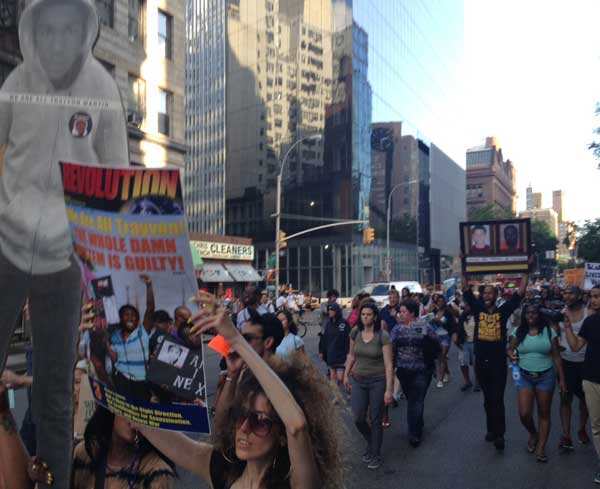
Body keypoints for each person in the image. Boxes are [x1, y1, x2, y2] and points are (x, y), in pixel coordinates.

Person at [0, 0, 129, 484]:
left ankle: (50, 479)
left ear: (82, 34)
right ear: (34, 31)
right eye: (47, 31)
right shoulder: (15, 85)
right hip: (6, 244)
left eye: (66, 31)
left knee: (54, 391)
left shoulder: (102, 92)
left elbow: (117, 181)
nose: (56, 42)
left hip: (64, 260)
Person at [139, 292, 344, 489]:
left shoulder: (297, 484)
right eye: (239, 415)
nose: (244, 428)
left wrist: (236, 338)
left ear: (282, 436)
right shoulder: (222, 471)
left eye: (260, 421)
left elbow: (297, 426)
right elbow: (141, 421)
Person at [462, 270, 528, 451]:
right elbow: (466, 289)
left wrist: (525, 271)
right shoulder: (477, 309)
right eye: (485, 293)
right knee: (487, 399)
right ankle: (491, 429)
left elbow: (520, 293)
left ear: (496, 295)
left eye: (491, 293)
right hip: (481, 362)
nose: (487, 295)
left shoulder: (504, 311)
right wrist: (465, 267)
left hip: (498, 363)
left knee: (497, 399)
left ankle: (500, 435)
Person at [508, 303, 566, 462]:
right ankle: (533, 433)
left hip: (546, 376)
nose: (531, 315)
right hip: (524, 376)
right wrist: (511, 355)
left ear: (539, 315)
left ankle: (541, 447)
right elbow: (510, 348)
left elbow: (556, 357)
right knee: (524, 413)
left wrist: (561, 379)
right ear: (524, 315)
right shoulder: (518, 332)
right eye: (528, 313)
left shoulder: (549, 332)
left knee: (544, 413)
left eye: (534, 313)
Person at [343, 303, 393, 469]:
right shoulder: (355, 332)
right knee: (358, 418)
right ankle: (372, 441)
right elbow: (351, 355)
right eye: (362, 314)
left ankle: (375, 454)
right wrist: (345, 374)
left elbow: (388, 365)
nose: (365, 317)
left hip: (377, 381)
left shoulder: (382, 336)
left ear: (375, 317)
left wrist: (389, 390)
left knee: (376, 419)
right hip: (358, 379)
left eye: (368, 314)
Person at [390, 300, 441, 447]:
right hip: (403, 370)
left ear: (412, 313)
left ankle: (414, 433)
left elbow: (436, 342)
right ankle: (417, 423)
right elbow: (390, 345)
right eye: (401, 311)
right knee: (412, 399)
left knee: (416, 400)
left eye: (404, 311)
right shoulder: (397, 329)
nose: (401, 314)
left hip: (422, 369)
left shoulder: (422, 326)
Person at [563, 285, 600, 485]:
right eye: (591, 296)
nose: (592, 300)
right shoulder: (590, 322)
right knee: (596, 426)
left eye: (596, 297)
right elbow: (576, 346)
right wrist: (567, 327)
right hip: (591, 377)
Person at [557, 285, 591, 450]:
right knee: (565, 399)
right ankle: (566, 434)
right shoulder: (561, 313)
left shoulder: (589, 313)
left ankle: (581, 428)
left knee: (585, 400)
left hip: (586, 363)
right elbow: (556, 336)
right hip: (566, 362)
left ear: (579, 296)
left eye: (570, 293)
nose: (566, 296)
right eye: (565, 293)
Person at [320, 303, 351, 388]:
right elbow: (324, 338)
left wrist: (348, 352)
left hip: (341, 355)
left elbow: (348, 338)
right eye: (329, 310)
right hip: (331, 354)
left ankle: (349, 391)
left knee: (340, 377)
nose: (329, 312)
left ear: (337, 311)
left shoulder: (344, 323)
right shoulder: (328, 324)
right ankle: (336, 396)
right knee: (333, 377)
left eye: (332, 310)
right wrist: (322, 351)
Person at [431, 295, 457, 388]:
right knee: (440, 357)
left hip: (446, 336)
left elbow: (452, 324)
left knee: (442, 356)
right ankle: (447, 372)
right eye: (438, 301)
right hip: (436, 336)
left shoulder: (448, 312)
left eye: (442, 301)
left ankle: (440, 379)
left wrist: (440, 322)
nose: (440, 303)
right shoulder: (434, 311)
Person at [454, 301, 480, 392]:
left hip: (475, 343)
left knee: (476, 364)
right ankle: (467, 381)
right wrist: (457, 340)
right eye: (466, 305)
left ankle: (477, 382)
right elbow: (458, 329)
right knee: (463, 363)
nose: (466, 307)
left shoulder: (477, 316)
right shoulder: (462, 317)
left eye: (468, 305)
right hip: (464, 343)